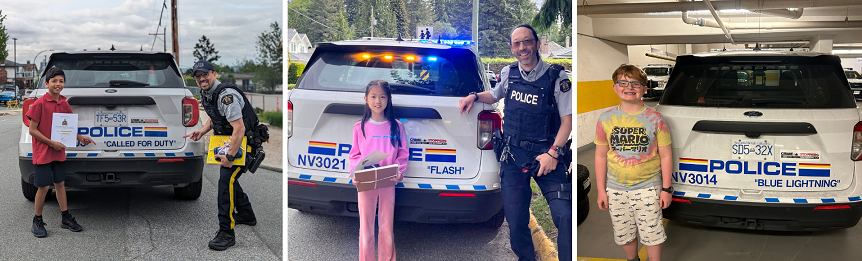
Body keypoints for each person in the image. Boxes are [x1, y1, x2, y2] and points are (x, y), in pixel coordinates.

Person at [458, 24, 573, 261]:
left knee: (566, 215)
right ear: (512, 48)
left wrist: (552, 154)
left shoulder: (558, 78)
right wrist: (474, 96)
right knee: (515, 218)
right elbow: (495, 94)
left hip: (546, 157)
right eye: (517, 43)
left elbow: (567, 122)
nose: (522, 48)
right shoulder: (509, 73)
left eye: (527, 42)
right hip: (513, 156)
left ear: (537, 43)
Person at [183, 60, 267, 251]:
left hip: (245, 144)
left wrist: (230, 157)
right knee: (229, 181)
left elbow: (239, 128)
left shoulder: (225, 96)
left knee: (225, 181)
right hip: (233, 142)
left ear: (214, 74)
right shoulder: (208, 94)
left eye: (205, 75)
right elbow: (215, 119)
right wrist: (201, 132)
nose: (201, 79)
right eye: (197, 76)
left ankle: (226, 233)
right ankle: (246, 214)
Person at [594, 64, 673, 261]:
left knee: (652, 234)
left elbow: (665, 156)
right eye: (623, 82)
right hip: (616, 189)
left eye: (635, 83)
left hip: (648, 188)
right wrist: (601, 190)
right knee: (624, 233)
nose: (629, 87)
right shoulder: (605, 119)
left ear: (644, 89)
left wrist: (666, 189)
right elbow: (600, 156)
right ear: (614, 87)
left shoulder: (656, 119)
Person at [28, 67, 96, 238]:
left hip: (59, 152)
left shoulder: (64, 104)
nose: (58, 84)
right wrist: (51, 143)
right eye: (54, 81)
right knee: (43, 187)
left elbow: (68, 129)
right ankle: (37, 220)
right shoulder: (39, 104)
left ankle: (65, 217)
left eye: (61, 81)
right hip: (43, 151)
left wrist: (80, 137)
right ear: (47, 83)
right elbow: (32, 130)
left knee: (60, 184)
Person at [348, 80, 408, 261]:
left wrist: (399, 171)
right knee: (365, 227)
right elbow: (354, 154)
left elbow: (403, 152)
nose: (378, 101)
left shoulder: (396, 125)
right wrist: (355, 174)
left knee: (386, 226)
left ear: (389, 99)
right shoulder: (360, 126)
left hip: (388, 181)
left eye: (382, 96)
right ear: (366, 99)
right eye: (373, 97)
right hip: (366, 182)